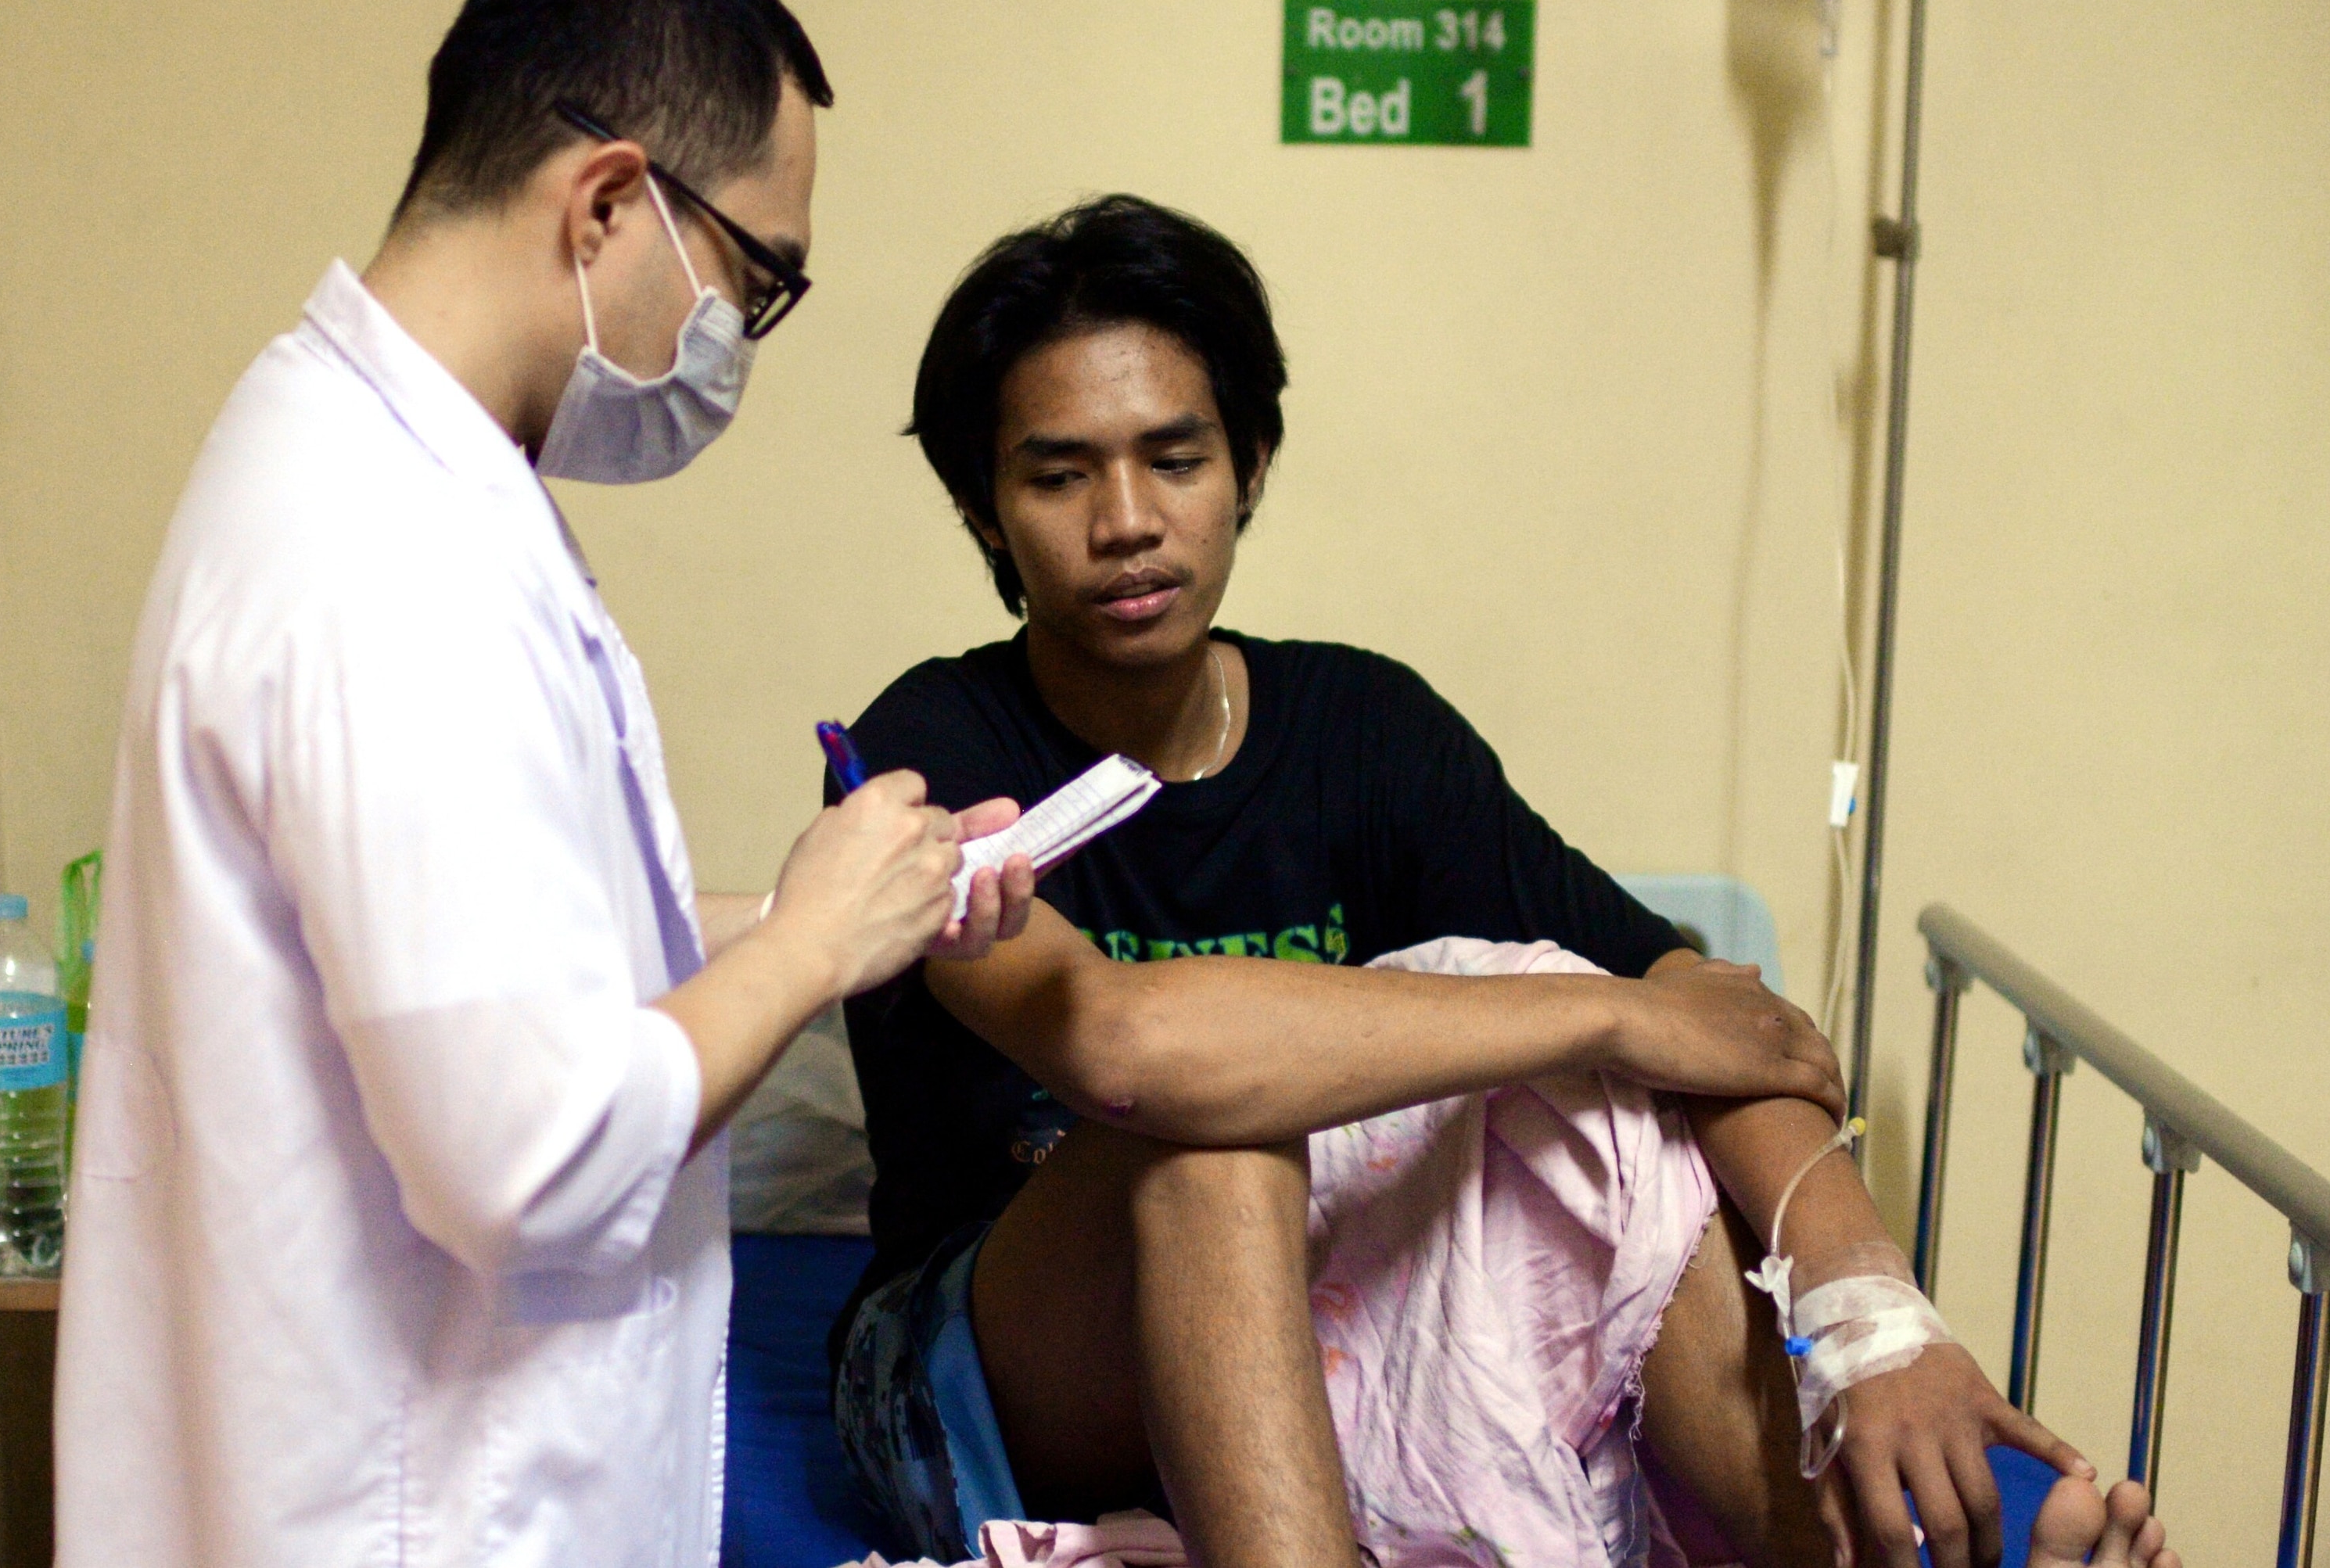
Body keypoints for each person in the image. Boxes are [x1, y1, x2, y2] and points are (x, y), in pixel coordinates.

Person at [829, 196, 2181, 1568]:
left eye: (1174, 456)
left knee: (1620, 1130)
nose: (1126, 521)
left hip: (1320, 1327)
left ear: (1248, 461)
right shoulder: (929, 751)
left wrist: (1872, 1319)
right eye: (1059, 477)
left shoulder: (1364, 730)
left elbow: (1722, 1025)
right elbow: (1125, 1045)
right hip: (997, 1366)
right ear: (982, 509)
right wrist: (1594, 1016)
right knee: (1215, 1131)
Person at [56, 0, 1038, 1567]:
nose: (746, 335)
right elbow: (528, 1153)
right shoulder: (389, 557)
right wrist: (801, 952)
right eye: (757, 278)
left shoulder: (367, 462)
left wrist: (842, 912)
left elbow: (485, 961)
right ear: (604, 202)